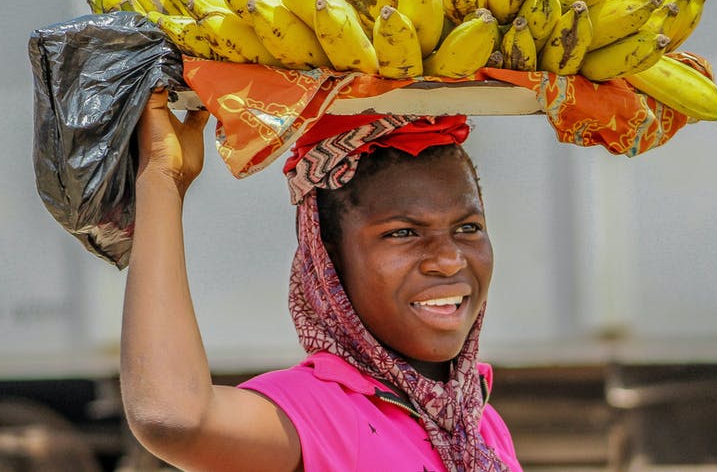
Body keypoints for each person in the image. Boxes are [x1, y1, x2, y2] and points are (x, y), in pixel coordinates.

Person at [121, 88, 521, 471]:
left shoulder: (477, 424)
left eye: (468, 228)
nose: (449, 260)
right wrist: (162, 179)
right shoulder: (321, 413)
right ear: (327, 260)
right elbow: (177, 420)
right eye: (403, 233)